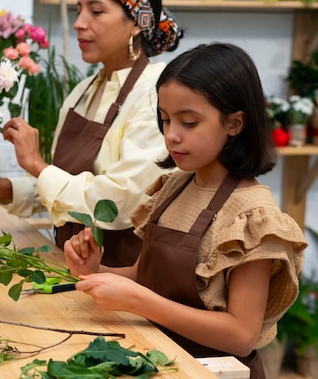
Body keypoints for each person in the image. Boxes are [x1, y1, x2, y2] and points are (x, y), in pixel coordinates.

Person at [64, 42, 308, 379]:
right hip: (161, 362)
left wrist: (139, 302)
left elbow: (241, 336)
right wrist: (94, 269)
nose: (171, 136)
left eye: (189, 123)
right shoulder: (174, 187)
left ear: (235, 123)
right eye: (165, 120)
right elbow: (145, 277)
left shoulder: (252, 214)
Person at [0, 0, 182, 267]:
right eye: (79, 10)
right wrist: (3, 187)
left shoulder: (156, 93)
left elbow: (121, 201)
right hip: (71, 266)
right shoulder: (82, 91)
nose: (79, 23)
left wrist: (36, 164)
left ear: (137, 23)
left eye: (96, 11)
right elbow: (65, 184)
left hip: (121, 277)